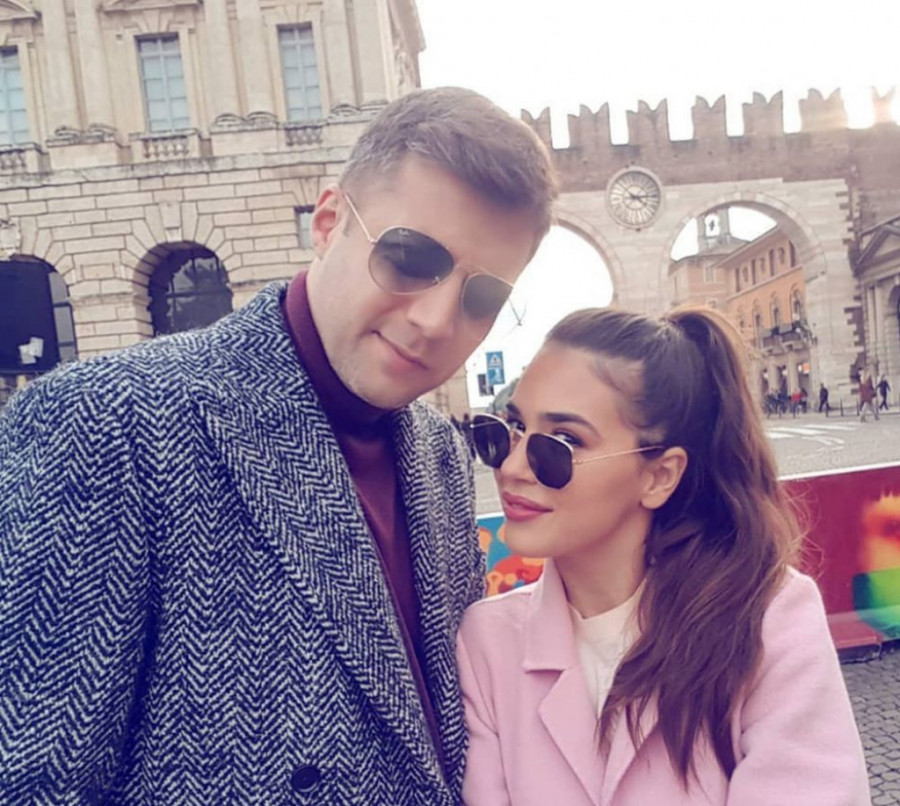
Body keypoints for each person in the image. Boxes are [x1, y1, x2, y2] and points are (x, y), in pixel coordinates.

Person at [0, 88, 557, 804]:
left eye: (481, 298)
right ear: (328, 223)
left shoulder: (441, 455)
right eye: (410, 258)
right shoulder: (108, 423)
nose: (435, 319)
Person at [458, 307, 869, 805]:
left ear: (659, 476)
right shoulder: (487, 642)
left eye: (563, 441)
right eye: (512, 428)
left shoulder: (768, 618)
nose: (512, 466)